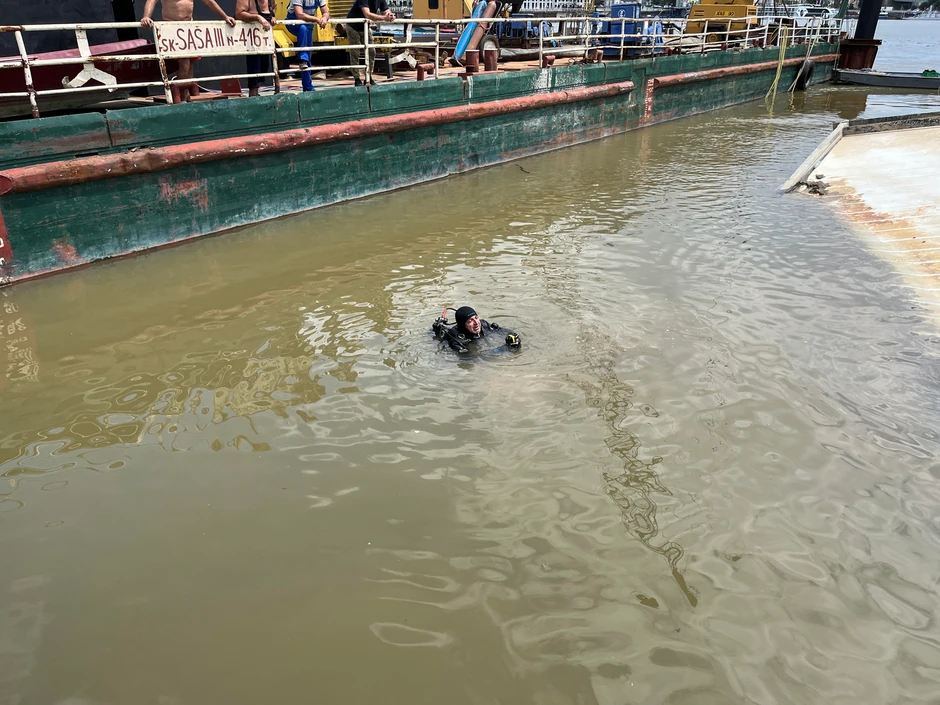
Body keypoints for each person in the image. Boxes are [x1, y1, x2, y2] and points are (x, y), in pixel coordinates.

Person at [141, 0, 236, 103]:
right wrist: (146, 16)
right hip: (172, 26)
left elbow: (208, 1)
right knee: (184, 63)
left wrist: (225, 16)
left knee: (191, 63)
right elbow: (151, 0)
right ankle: (178, 92)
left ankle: (186, 97)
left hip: (189, 27)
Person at [432, 306, 521, 354]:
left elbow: (505, 332)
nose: (476, 323)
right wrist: (504, 348)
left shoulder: (483, 324)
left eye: (476, 317)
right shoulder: (456, 339)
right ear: (463, 325)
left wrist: (514, 338)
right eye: (470, 321)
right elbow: (475, 358)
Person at [345, 0, 394, 87]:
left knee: (372, 51)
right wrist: (383, 18)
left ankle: (369, 76)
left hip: (365, 26)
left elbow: (386, 9)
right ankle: (357, 78)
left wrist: (390, 15)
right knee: (355, 52)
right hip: (353, 26)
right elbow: (367, 14)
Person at [285, 0, 330, 92]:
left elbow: (325, 12)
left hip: (308, 24)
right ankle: (302, 58)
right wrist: (317, 19)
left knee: (307, 55)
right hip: (294, 23)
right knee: (303, 29)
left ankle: (308, 87)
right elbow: (299, 15)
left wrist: (324, 18)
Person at [235, 0, 272, 96]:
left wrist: (273, 18)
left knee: (265, 65)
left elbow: (273, 9)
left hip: (264, 38)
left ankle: (257, 90)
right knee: (254, 63)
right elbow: (239, 14)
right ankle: (253, 92)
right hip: (249, 37)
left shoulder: (271, 1)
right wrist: (257, 17)